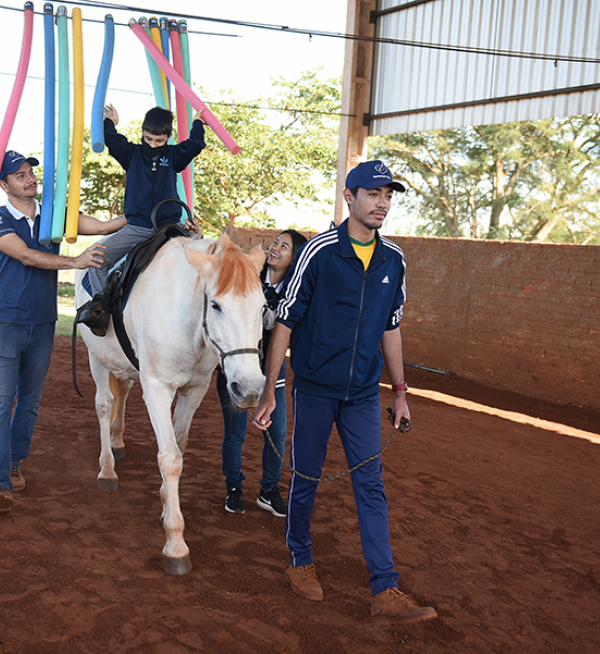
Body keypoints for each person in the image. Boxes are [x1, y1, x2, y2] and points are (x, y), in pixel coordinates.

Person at [252, 160, 438, 624]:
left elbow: (390, 329)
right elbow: (287, 321)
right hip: (314, 389)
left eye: (389, 195)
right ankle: (299, 559)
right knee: (307, 479)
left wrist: (400, 390)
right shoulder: (317, 252)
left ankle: (384, 589)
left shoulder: (393, 260)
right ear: (349, 197)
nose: (383, 203)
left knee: (370, 486)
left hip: (361, 396)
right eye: (374, 193)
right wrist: (272, 390)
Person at [0, 150, 125, 515]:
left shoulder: (52, 216)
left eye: (30, 172)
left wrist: (147, 212)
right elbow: (26, 256)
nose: (29, 178)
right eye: (19, 175)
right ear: (4, 185)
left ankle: (15, 462)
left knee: (29, 403)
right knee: (1, 403)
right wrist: (73, 261)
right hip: (5, 322)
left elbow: (107, 227)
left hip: (43, 323)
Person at [76, 103, 206, 336]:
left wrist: (197, 123)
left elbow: (196, 144)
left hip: (170, 228)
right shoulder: (132, 154)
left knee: (203, 254)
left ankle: (203, 317)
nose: (153, 145)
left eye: (159, 140)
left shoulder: (173, 156)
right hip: (137, 228)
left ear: (168, 136)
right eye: (149, 139)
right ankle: (101, 307)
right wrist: (111, 122)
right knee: (97, 256)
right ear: (143, 133)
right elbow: (111, 139)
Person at [218, 229, 308, 517]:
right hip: (235, 371)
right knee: (235, 435)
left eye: (285, 246)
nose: (276, 248)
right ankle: (234, 488)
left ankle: (269, 491)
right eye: (276, 243)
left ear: (295, 258)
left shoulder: (296, 292)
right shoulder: (249, 277)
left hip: (273, 377)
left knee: (277, 434)